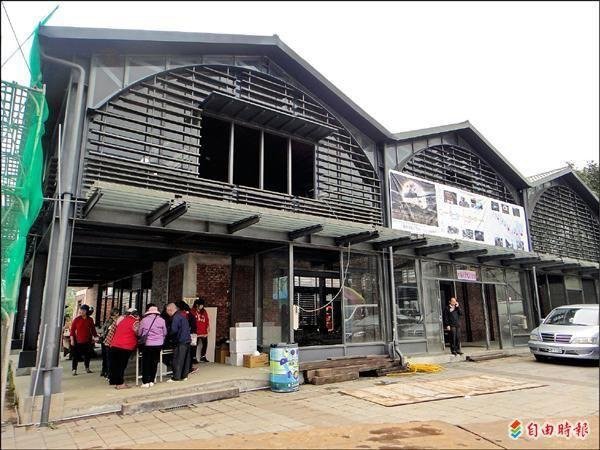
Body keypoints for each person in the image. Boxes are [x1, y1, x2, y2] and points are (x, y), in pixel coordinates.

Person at [108, 308, 139, 389]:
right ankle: (120, 384)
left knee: (115, 365)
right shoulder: (135, 322)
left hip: (114, 344)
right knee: (121, 365)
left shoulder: (123, 320)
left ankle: (114, 381)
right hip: (125, 346)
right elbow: (137, 332)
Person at [137, 303, 167, 388]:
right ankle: (152, 380)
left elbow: (140, 333)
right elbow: (165, 332)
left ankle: (145, 382)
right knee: (154, 362)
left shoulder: (144, 320)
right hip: (158, 345)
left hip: (147, 344)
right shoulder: (162, 320)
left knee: (146, 362)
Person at [70, 305, 98, 375]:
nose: (81, 311)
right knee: (75, 356)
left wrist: (96, 337)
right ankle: (74, 369)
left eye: (83, 310)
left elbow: (93, 330)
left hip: (88, 340)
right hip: (77, 341)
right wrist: (72, 340)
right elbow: (72, 331)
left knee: (87, 355)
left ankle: (87, 368)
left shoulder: (90, 319)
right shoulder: (77, 319)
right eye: (81, 310)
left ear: (87, 311)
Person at [166, 302, 191, 382]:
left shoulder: (176, 317)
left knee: (177, 359)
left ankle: (176, 377)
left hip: (180, 340)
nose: (167, 313)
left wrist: (168, 336)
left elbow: (174, 330)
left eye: (167, 311)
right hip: (187, 340)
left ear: (170, 310)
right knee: (185, 359)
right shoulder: (183, 316)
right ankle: (184, 376)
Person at [99, 308, 120, 378]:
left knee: (105, 357)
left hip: (104, 340)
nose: (118, 315)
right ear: (114, 314)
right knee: (108, 358)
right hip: (108, 341)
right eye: (117, 313)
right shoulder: (112, 322)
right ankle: (107, 372)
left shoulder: (108, 321)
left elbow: (103, 331)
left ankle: (104, 371)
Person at [191, 298, 210, 363]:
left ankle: (203, 356)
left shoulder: (204, 311)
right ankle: (193, 357)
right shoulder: (192, 311)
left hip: (203, 331)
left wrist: (208, 327)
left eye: (203, 305)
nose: (202, 306)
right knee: (194, 345)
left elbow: (207, 320)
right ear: (197, 305)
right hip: (195, 331)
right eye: (201, 305)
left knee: (205, 344)